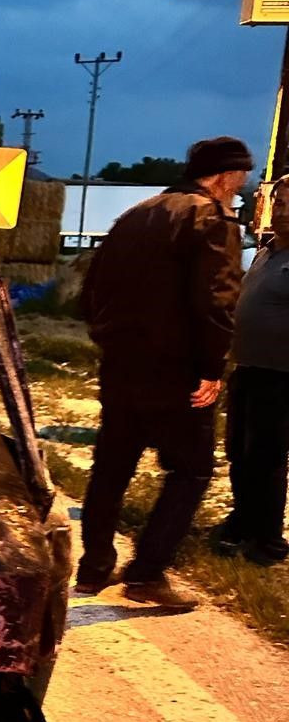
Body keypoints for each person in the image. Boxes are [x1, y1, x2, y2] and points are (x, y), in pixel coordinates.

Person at [76, 135, 252, 612]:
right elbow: (217, 299)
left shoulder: (136, 214)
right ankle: (147, 573)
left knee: (112, 466)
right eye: (239, 180)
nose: (241, 190)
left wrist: (110, 340)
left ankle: (92, 567)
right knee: (192, 470)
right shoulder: (211, 218)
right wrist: (212, 368)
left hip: (121, 365)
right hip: (176, 371)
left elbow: (88, 291)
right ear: (220, 176)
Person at [213, 175, 289, 565]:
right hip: (248, 368)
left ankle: (269, 541)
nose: (284, 210)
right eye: (280, 203)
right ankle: (243, 521)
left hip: (281, 375)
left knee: (268, 456)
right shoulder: (266, 250)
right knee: (239, 452)